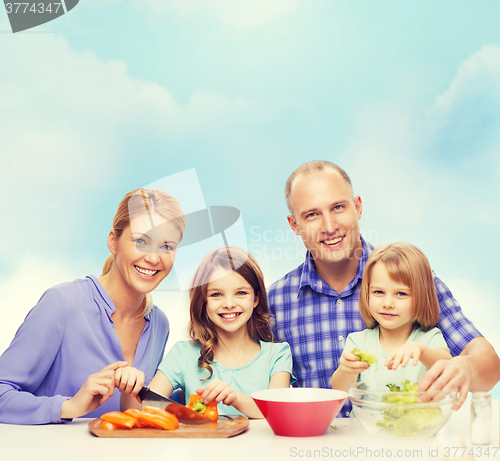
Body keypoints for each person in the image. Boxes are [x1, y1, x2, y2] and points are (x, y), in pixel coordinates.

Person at [268, 160, 500, 417]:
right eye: (312, 214)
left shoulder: (412, 280)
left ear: (357, 207)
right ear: (293, 225)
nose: (329, 226)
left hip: (402, 441)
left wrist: (466, 368)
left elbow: (488, 365)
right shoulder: (277, 300)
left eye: (338, 207)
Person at [0, 188, 185, 424]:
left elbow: (144, 408)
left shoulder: (159, 324)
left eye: (167, 246)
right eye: (141, 241)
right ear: (113, 241)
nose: (153, 257)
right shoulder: (62, 304)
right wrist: (69, 406)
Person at [124, 247, 294, 418]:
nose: (229, 304)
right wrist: (129, 387)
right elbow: (143, 412)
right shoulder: (183, 354)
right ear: (204, 301)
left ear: (256, 298)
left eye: (241, 293)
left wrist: (234, 398)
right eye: (216, 294)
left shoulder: (278, 355)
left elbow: (278, 412)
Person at [331, 243, 451, 392]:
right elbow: (340, 390)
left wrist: (421, 351)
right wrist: (346, 369)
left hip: (417, 416)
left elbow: (448, 367)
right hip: (365, 416)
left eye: (401, 294)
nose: (387, 304)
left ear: (421, 297)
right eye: (379, 292)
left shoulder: (429, 339)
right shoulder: (359, 342)